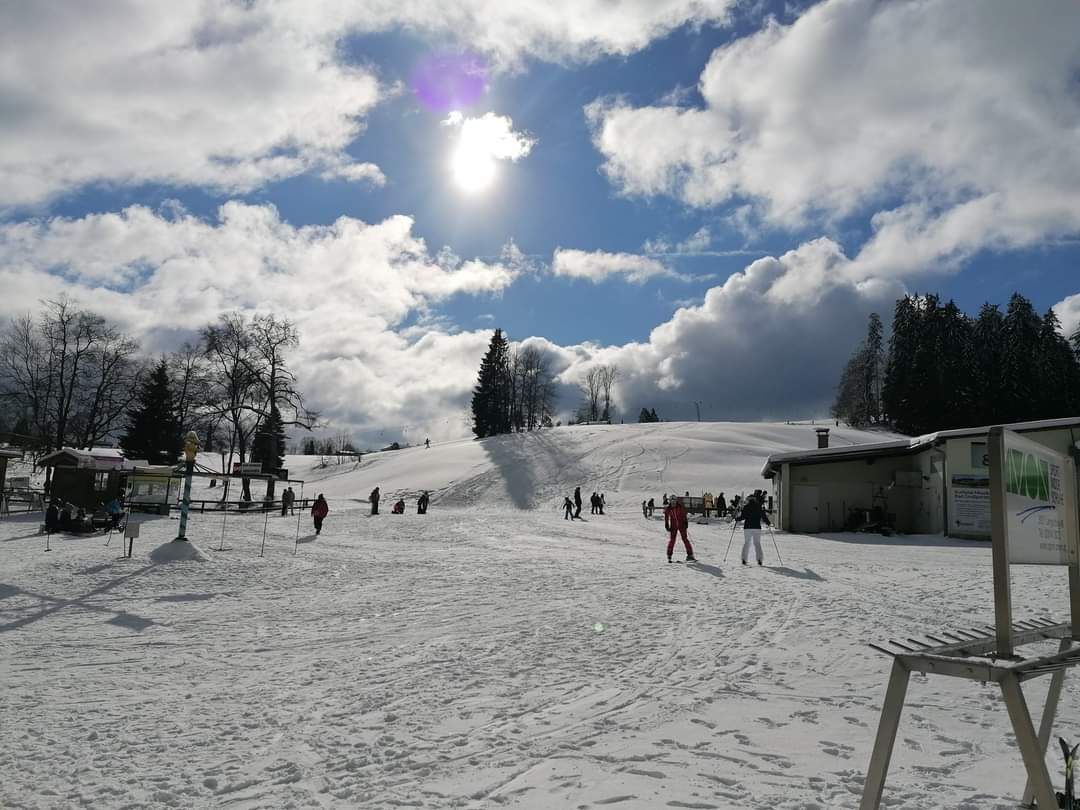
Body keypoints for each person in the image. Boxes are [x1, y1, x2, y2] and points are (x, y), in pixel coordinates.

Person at [739, 494, 771, 566]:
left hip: (747, 527)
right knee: (757, 543)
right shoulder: (758, 507)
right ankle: (759, 559)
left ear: (749, 500)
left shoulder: (746, 507)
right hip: (757, 527)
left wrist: (737, 519)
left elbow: (742, 517)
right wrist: (767, 522)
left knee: (747, 543)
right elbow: (763, 516)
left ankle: (744, 559)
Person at [663, 496, 696, 563]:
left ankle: (690, 555)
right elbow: (666, 516)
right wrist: (666, 524)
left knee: (685, 539)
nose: (673, 503)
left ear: (676, 501)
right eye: (672, 502)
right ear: (670, 502)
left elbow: (684, 514)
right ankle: (669, 555)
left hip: (681, 525)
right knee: (672, 540)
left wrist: (685, 522)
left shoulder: (680, 507)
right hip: (673, 526)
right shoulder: (669, 509)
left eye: (674, 501)